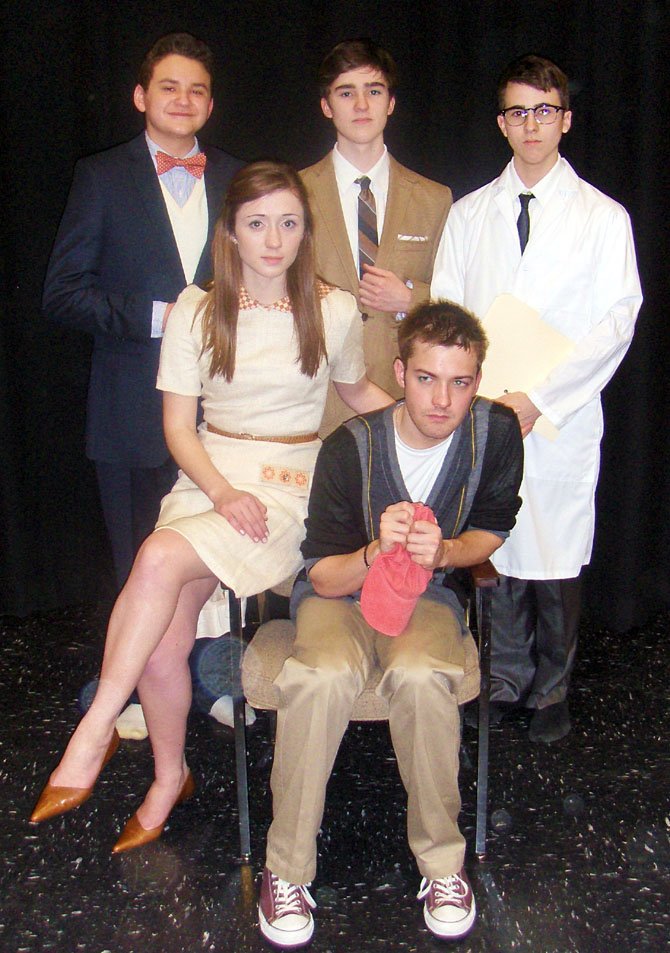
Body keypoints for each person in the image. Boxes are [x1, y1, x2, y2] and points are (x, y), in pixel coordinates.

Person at [30, 161, 392, 853]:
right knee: (165, 638)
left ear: (305, 230)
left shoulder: (334, 307)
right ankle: (170, 777)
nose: (274, 239)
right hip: (208, 477)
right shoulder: (197, 307)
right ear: (231, 231)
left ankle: (96, 726)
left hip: (288, 485)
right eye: (257, 223)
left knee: (158, 556)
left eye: (289, 223)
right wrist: (221, 493)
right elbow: (177, 428)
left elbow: (357, 394)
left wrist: (436, 415)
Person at [258, 301, 523, 947]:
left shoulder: (496, 433)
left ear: (478, 382)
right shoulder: (353, 445)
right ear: (400, 371)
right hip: (340, 594)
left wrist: (450, 553)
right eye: (428, 378)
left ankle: (442, 866)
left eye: (461, 382)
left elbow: (493, 526)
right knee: (320, 675)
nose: (443, 399)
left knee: (424, 671)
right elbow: (320, 576)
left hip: (427, 597)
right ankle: (285, 870)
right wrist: (376, 550)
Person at [431, 54, 642, 743]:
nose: (531, 124)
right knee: (497, 544)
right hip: (486, 410)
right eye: (518, 111)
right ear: (501, 122)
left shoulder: (603, 217)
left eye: (544, 110)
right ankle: (502, 677)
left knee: (554, 549)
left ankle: (552, 688)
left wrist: (541, 398)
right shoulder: (470, 215)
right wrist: (480, 398)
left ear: (566, 120)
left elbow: (617, 319)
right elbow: (447, 312)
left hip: (563, 412)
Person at [43, 32, 243, 738]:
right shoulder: (102, 176)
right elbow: (62, 293)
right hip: (129, 407)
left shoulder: (238, 177)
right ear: (141, 96)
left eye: (196, 90)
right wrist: (158, 316)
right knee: (138, 558)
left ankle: (212, 675)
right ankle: (127, 687)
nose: (183, 99)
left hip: (223, 415)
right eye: (169, 86)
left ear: (210, 104)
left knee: (216, 556)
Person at [301, 38, 452, 435]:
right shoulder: (293, 195)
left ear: (391, 102)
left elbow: (462, 296)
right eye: (346, 93)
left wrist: (411, 298)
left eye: (374, 91)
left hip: (403, 400)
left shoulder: (435, 199)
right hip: (313, 402)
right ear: (326, 105)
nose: (362, 105)